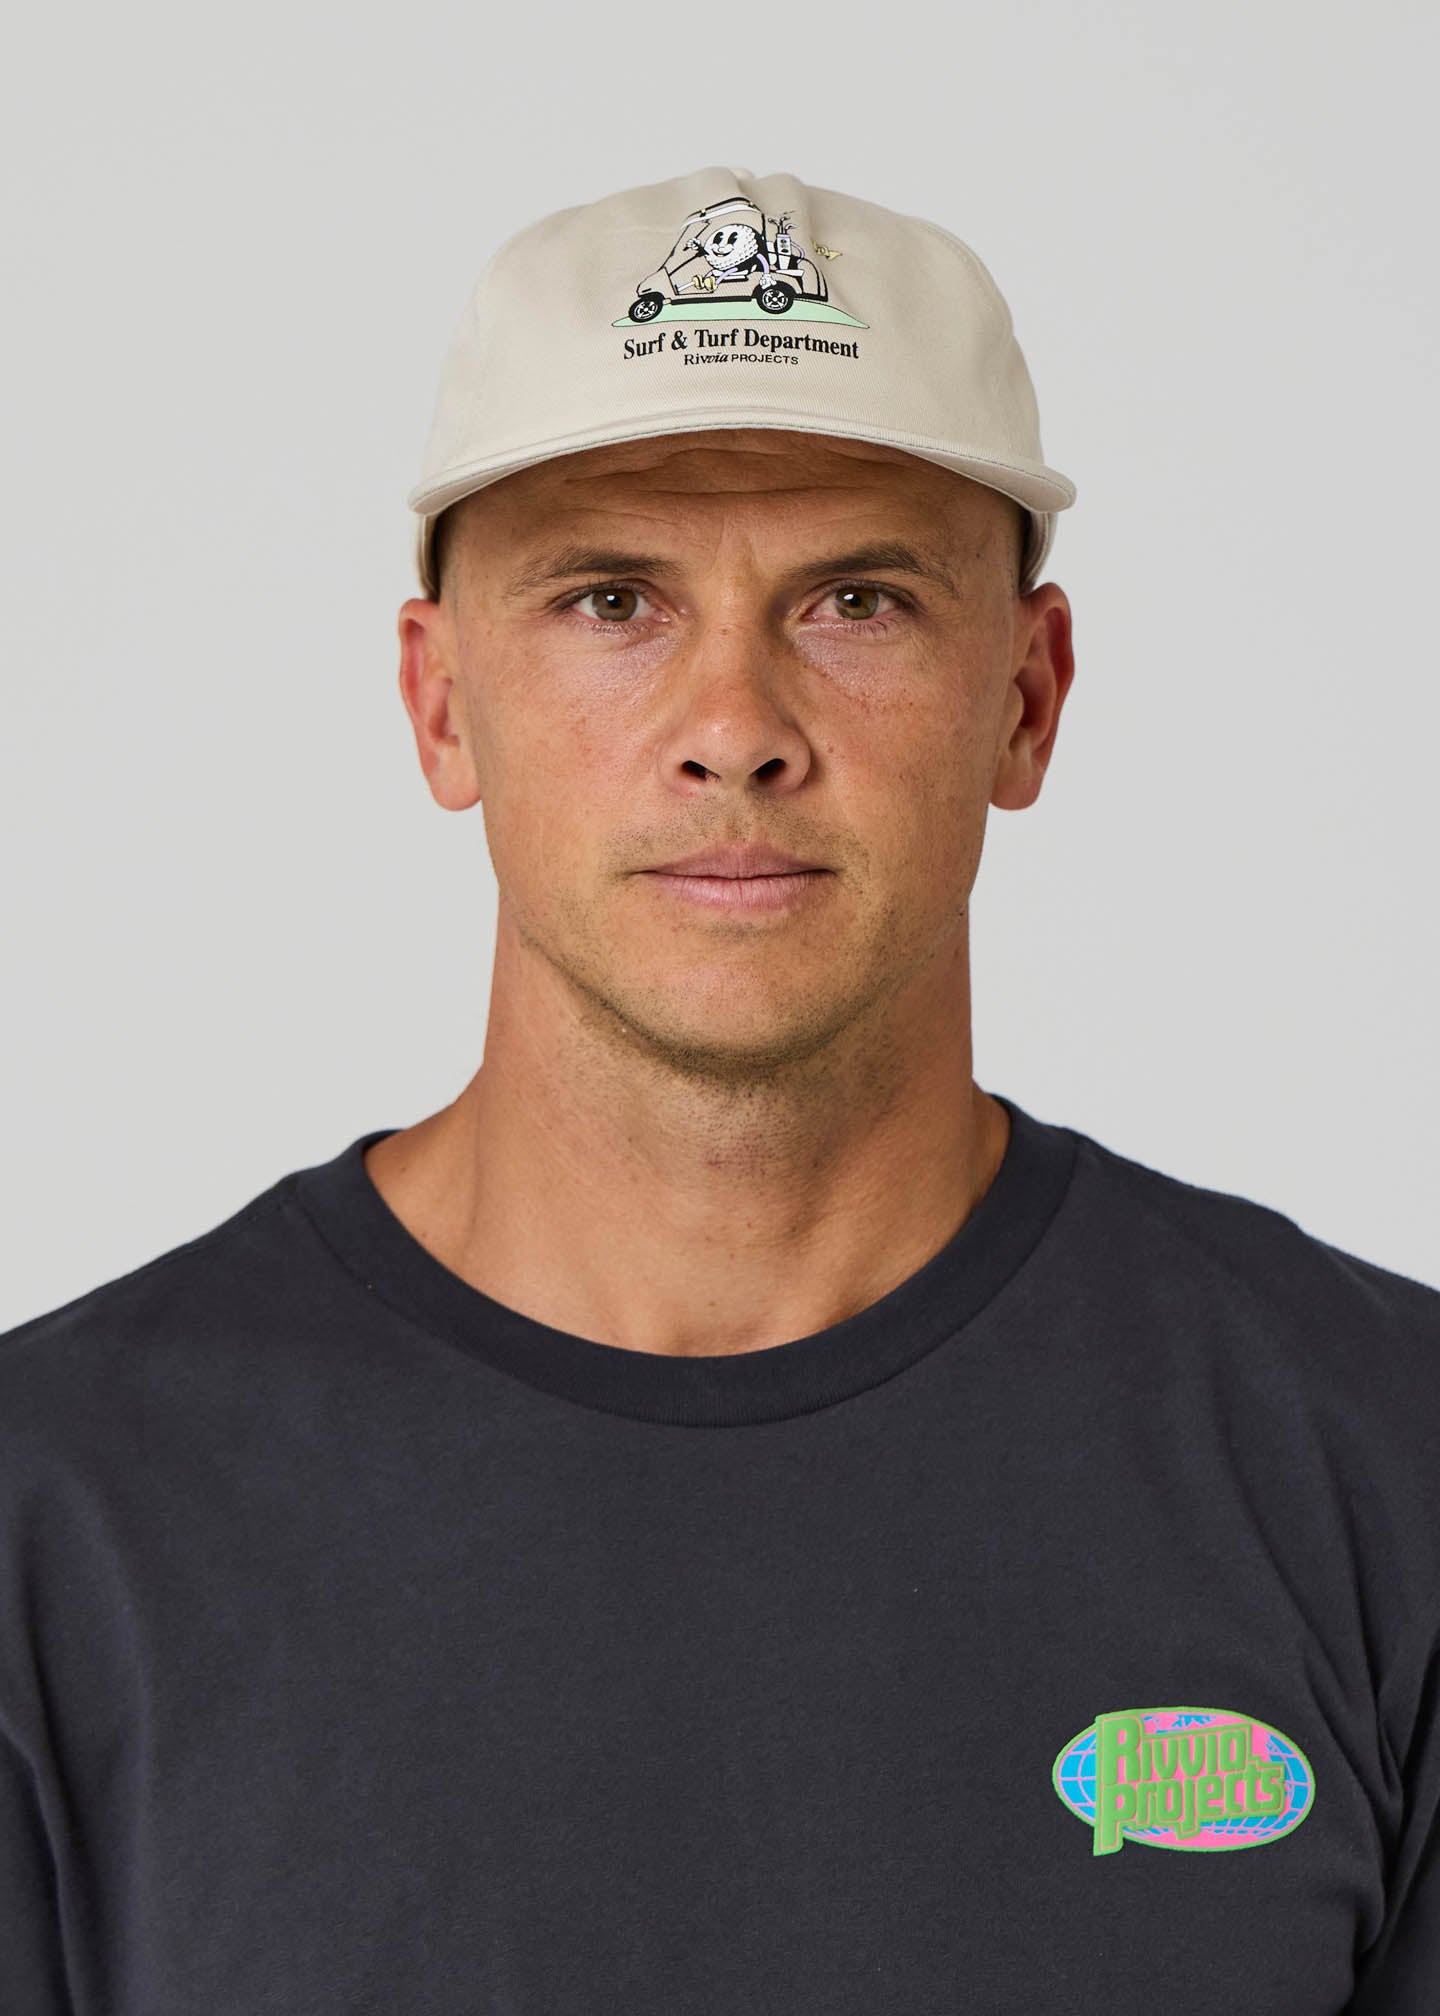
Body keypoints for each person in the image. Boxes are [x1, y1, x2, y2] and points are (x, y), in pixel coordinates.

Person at [1, 166, 1436, 2016]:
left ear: (1027, 696)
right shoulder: (59, 1521)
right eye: (612, 600)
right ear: (443, 705)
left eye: (858, 600)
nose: (735, 726)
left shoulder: (1384, 1471)